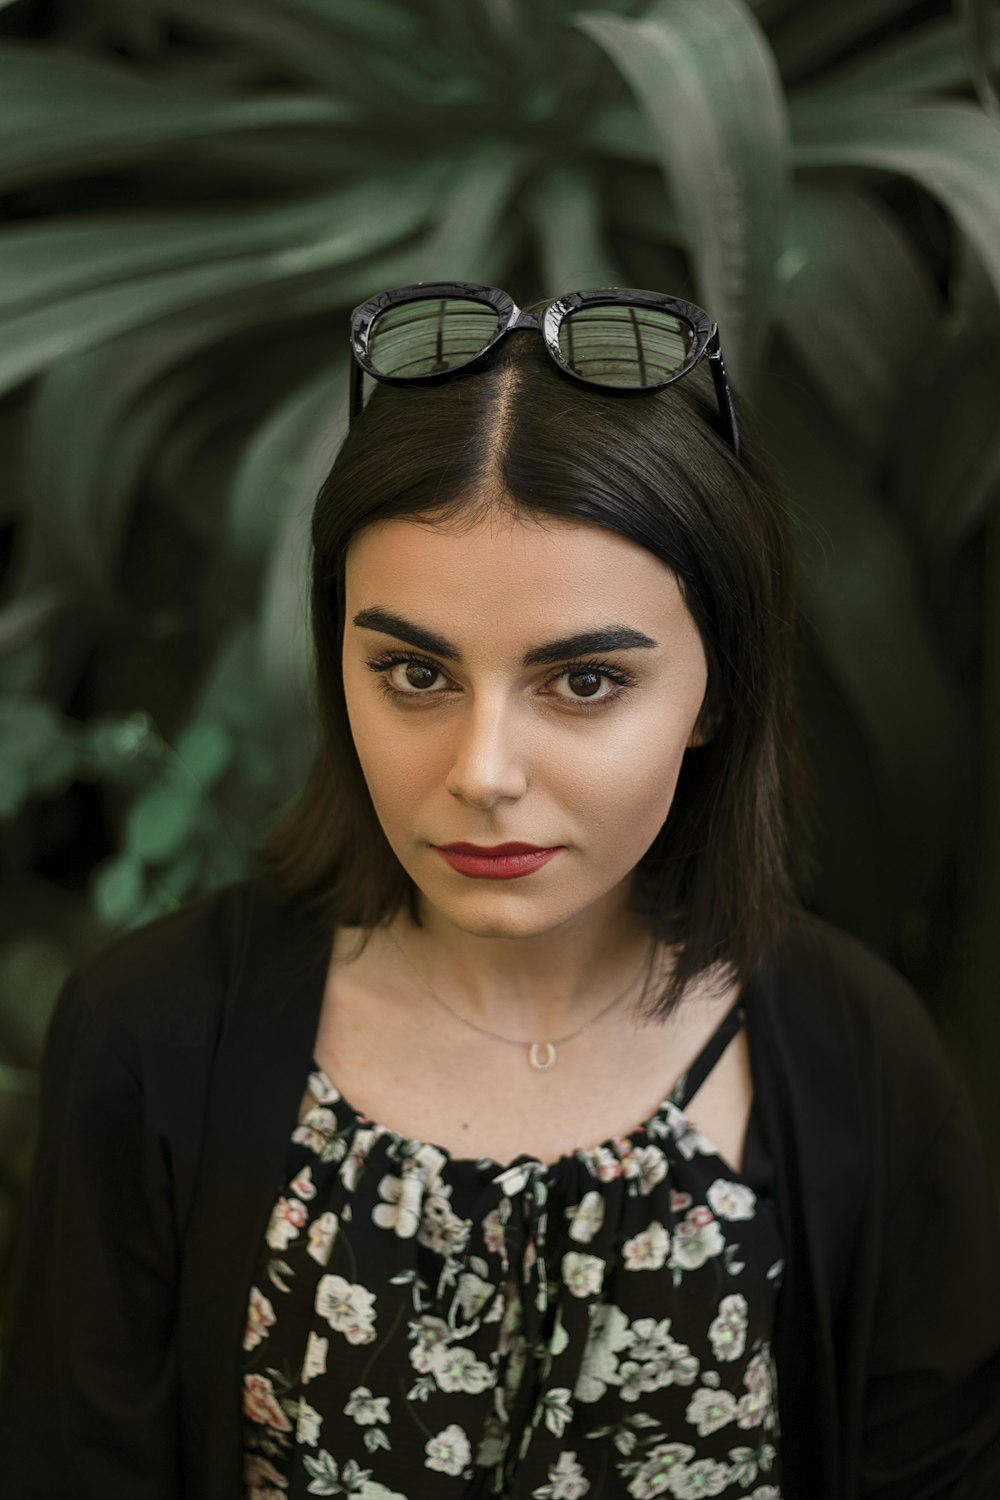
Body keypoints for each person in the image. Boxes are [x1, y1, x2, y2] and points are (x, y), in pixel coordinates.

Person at [1, 282, 998, 1500]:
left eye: (582, 682)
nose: (481, 775)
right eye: (413, 671)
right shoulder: (149, 1039)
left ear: (716, 694)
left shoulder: (863, 1065)